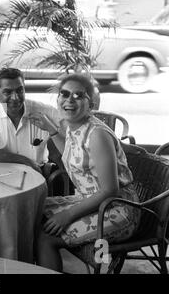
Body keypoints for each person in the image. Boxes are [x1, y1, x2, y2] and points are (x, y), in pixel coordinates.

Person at [29, 73, 140, 272]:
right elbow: (73, 157)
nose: (69, 100)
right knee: (32, 208)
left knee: (46, 238)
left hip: (118, 209)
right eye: (64, 94)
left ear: (91, 104)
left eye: (78, 95)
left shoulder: (97, 134)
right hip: (91, 201)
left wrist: (67, 216)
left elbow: (109, 191)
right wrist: (52, 130)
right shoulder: (74, 125)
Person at [0, 67, 61, 174]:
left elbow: (72, 134)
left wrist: (52, 129)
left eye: (19, 90)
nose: (15, 97)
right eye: (7, 92)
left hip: (37, 174)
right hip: (1, 174)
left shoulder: (46, 111)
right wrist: (26, 161)